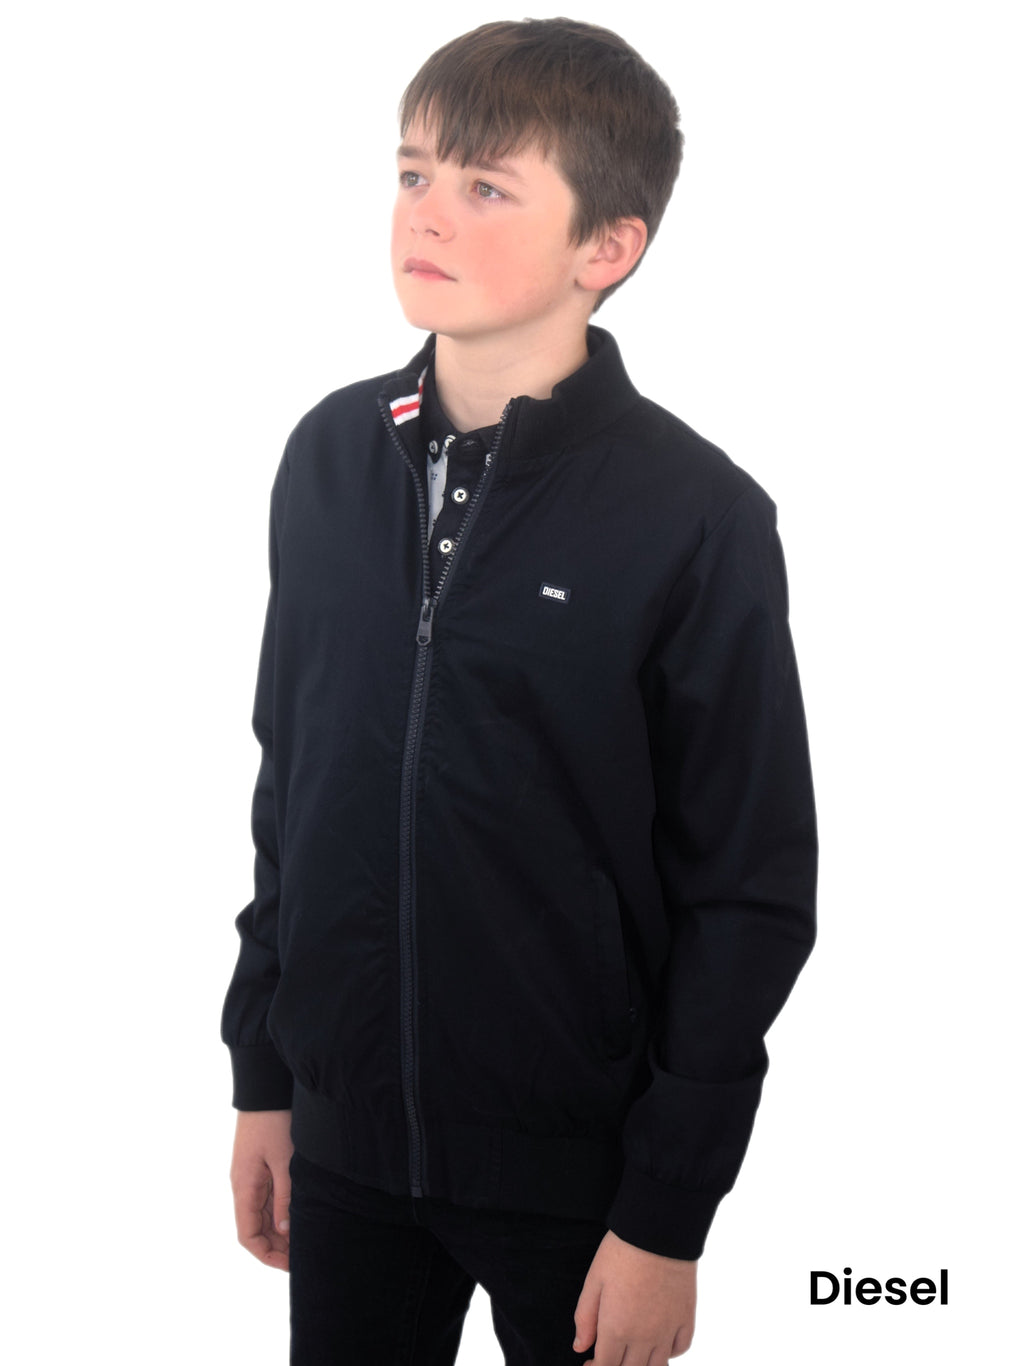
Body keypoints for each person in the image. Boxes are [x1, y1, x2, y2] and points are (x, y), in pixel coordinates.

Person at [221, 17, 817, 1365]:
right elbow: (290, 784)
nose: (426, 212)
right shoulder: (327, 457)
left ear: (607, 247)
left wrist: (667, 1213)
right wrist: (267, 1073)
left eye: (487, 186)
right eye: (413, 171)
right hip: (347, 1147)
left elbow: (750, 887)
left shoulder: (695, 515)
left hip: (582, 1179)